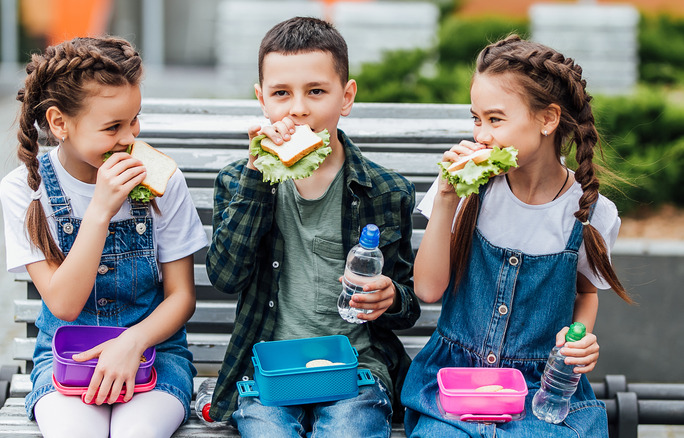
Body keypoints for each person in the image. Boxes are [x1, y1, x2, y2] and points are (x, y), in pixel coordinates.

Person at [401, 34, 635, 437]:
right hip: (457, 384)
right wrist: (444, 198)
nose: (481, 135)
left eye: (495, 119)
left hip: (539, 389)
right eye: (476, 119)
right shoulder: (464, 187)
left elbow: (585, 293)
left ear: (547, 120)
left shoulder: (591, 213)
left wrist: (578, 340)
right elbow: (427, 289)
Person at [205, 16, 421, 437]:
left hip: (356, 369)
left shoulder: (386, 191)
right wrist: (256, 173)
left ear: (347, 96)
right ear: (262, 99)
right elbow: (226, 278)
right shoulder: (238, 180)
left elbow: (407, 307)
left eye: (316, 91)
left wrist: (390, 297)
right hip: (270, 370)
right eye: (281, 93)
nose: (298, 108)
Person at [0, 36, 208, 438]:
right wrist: (100, 211)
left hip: (153, 353)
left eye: (134, 119)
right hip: (67, 356)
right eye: (113, 127)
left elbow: (182, 297)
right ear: (60, 124)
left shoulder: (164, 182)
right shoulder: (25, 189)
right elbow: (62, 303)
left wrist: (133, 342)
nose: (130, 137)